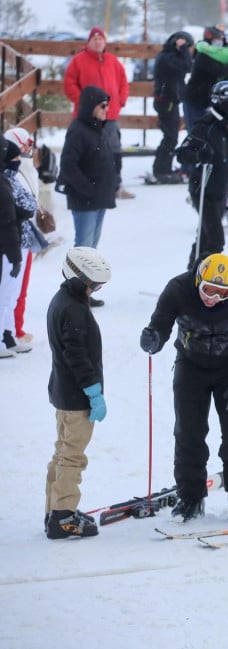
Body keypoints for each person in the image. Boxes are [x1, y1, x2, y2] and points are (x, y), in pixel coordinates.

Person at [139, 253, 228, 523]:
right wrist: (153, 337)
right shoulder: (177, 289)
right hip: (191, 365)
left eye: (222, 293)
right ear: (198, 280)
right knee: (189, 431)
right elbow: (160, 325)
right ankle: (190, 497)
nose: (213, 298)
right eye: (209, 290)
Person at [44, 247, 111, 538]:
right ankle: (63, 516)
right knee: (72, 457)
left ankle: (54, 510)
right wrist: (93, 392)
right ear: (76, 276)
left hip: (63, 393)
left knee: (61, 453)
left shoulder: (64, 299)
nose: (95, 290)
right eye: (93, 285)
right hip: (76, 398)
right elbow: (78, 357)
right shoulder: (72, 308)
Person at [176, 80, 228, 269]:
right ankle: (206, 277)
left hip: (222, 190)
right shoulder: (206, 125)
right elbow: (182, 153)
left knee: (204, 237)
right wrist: (198, 155)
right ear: (226, 102)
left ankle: (191, 275)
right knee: (215, 240)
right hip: (203, 189)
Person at [57, 85, 116, 305]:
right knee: (82, 250)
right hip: (85, 200)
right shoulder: (78, 130)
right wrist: (88, 189)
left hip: (98, 199)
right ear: (90, 106)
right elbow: (68, 166)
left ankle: (85, 292)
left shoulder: (97, 128)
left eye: (107, 105)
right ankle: (72, 294)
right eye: (102, 105)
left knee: (91, 251)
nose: (106, 109)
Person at [63, 27, 133, 200]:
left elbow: (123, 82)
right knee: (91, 153)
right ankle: (91, 186)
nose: (98, 41)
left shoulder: (113, 61)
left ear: (105, 42)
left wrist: (121, 99)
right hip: (88, 119)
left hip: (110, 116)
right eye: (94, 39)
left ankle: (115, 185)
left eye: (100, 38)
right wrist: (84, 103)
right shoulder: (79, 61)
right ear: (88, 42)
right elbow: (69, 84)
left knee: (114, 152)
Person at [1, 140, 39, 357]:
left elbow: (30, 204)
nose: (18, 162)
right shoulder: (6, 181)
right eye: (15, 158)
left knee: (12, 294)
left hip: (20, 242)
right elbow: (22, 207)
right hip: (9, 244)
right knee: (5, 294)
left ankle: (9, 335)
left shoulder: (12, 180)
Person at [151, 31, 194, 183]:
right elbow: (188, 66)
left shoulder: (169, 56)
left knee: (170, 136)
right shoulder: (168, 58)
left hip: (169, 100)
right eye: (187, 48)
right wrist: (183, 49)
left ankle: (163, 169)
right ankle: (161, 171)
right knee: (170, 137)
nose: (188, 52)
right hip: (166, 101)